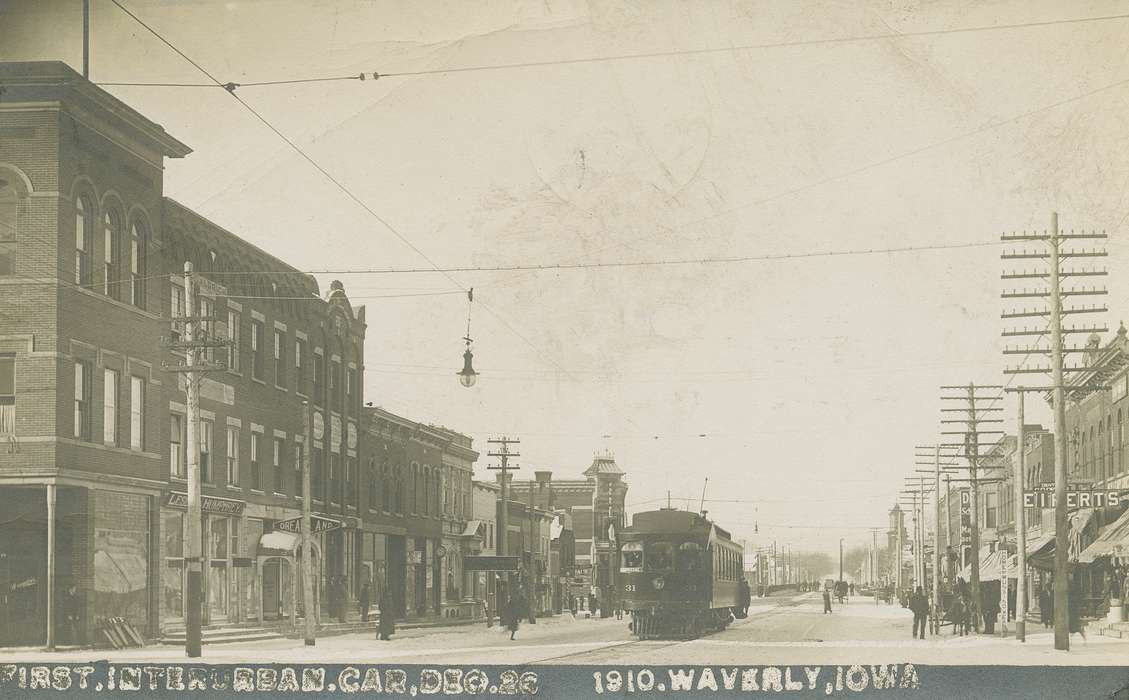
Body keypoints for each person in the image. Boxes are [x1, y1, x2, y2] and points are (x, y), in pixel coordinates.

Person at [1069, 577, 1086, 643]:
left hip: (1072, 608)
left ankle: (1082, 637)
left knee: (1074, 625)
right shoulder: (1076, 589)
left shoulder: (1071, 590)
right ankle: (1083, 638)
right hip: (1074, 608)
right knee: (1075, 625)